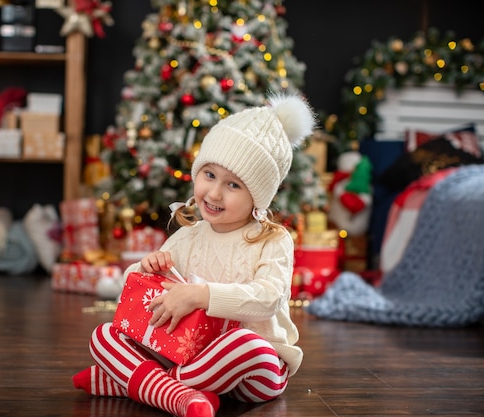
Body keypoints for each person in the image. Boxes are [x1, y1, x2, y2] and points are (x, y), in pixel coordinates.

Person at [72, 91, 316, 417]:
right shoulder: (188, 236)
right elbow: (135, 296)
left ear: (258, 196)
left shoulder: (272, 240)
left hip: (254, 369)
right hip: (191, 358)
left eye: (233, 185)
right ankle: (180, 396)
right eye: (209, 175)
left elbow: (267, 299)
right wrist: (146, 269)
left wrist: (200, 295)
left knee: (249, 344)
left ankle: (131, 383)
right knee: (103, 336)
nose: (214, 193)